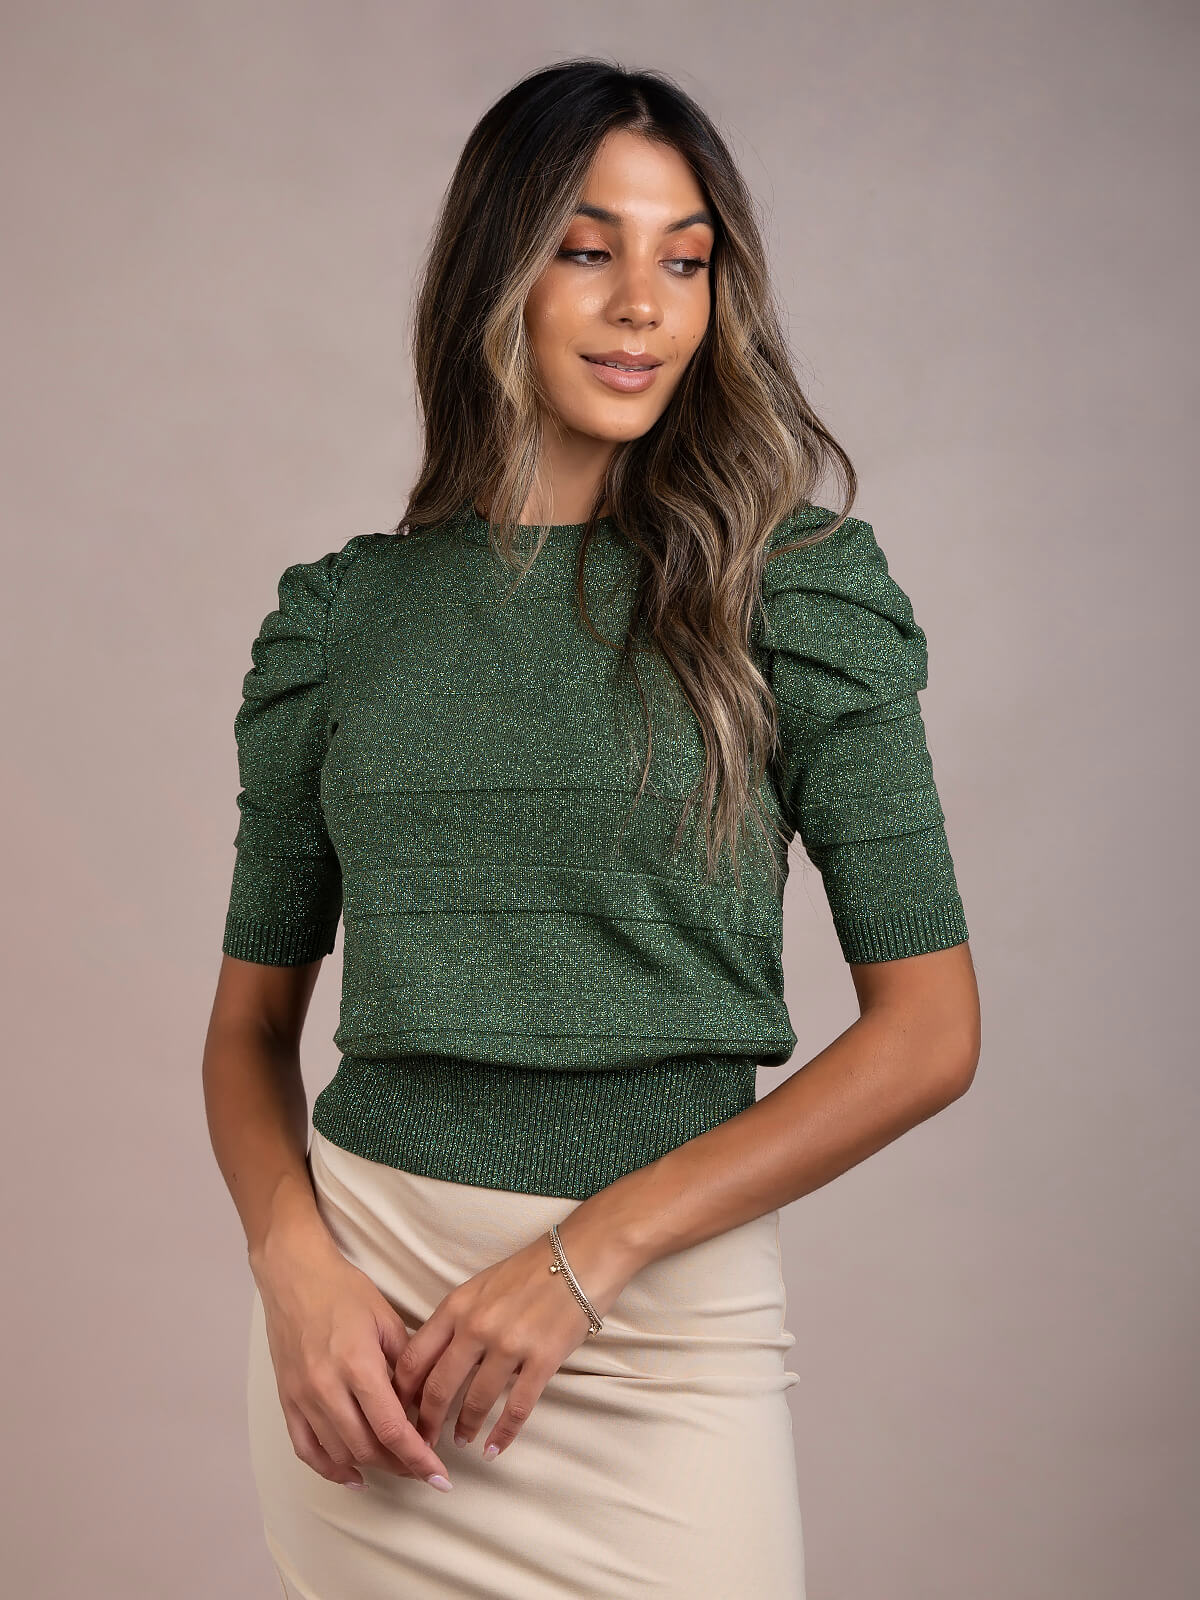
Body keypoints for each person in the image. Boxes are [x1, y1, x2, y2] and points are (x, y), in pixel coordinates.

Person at [203, 57, 980, 1600]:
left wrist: (587, 1256)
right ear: (493, 271)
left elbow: (930, 1035)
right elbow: (247, 1033)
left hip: (652, 1332)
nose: (643, 306)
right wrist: (292, 1267)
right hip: (370, 1349)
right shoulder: (342, 622)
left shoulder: (796, 596)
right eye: (586, 248)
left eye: (685, 261)